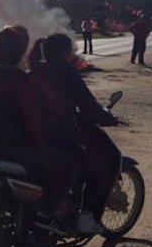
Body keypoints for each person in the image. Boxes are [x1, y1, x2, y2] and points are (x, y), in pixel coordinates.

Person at [0, 25, 83, 230]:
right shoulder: (21, 80)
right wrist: (41, 142)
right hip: (19, 148)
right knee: (71, 165)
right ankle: (48, 213)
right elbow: (32, 119)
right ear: (21, 49)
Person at [28, 33, 119, 233]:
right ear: (65, 52)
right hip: (61, 135)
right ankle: (86, 217)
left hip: (35, 135)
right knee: (97, 168)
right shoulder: (66, 71)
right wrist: (108, 119)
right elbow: (87, 104)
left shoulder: (34, 70)